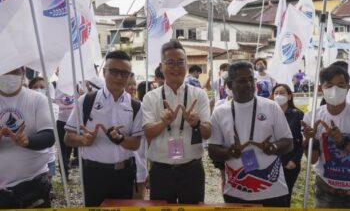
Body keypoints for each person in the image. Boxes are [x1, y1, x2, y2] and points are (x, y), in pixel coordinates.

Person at [208, 61, 293, 207]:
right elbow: (212, 150)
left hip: (274, 192)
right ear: (229, 85)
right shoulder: (219, 112)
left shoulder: (271, 107)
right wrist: (230, 152)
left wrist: (272, 147)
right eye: (242, 81)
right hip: (236, 192)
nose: (249, 85)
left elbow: (289, 142)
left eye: (251, 79)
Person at [64, 51, 143, 207]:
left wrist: (120, 139)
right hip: (94, 174)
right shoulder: (86, 101)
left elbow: (135, 144)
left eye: (124, 73)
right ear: (104, 72)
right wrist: (83, 139)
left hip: (123, 174)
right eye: (114, 71)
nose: (119, 77)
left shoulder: (135, 106)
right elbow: (67, 138)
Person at [142, 40, 211, 204]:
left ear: (186, 65)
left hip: (191, 169)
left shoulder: (199, 95)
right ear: (161, 66)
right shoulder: (150, 97)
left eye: (180, 62)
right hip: (161, 170)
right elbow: (148, 132)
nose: (176, 67)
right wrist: (163, 122)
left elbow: (208, 132)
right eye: (170, 62)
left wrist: (196, 123)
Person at [0, 68, 54, 208]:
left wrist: (27, 141)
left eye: (14, 71)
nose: (9, 76)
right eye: (5, 70)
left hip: (33, 187)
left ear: (23, 72)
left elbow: (49, 136)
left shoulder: (38, 99)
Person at [301, 65, 350, 208]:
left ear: (348, 88)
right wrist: (310, 141)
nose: (335, 90)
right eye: (329, 85)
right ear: (321, 88)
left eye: (340, 85)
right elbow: (313, 159)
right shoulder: (312, 117)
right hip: (326, 189)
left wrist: (341, 141)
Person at [270, 84, 304, 206]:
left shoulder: (298, 115)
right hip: (270, 164)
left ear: (289, 96)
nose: (279, 95)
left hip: (289, 163)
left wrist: (295, 160)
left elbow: (302, 142)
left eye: (282, 93)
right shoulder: (268, 115)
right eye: (276, 93)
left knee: (285, 197)